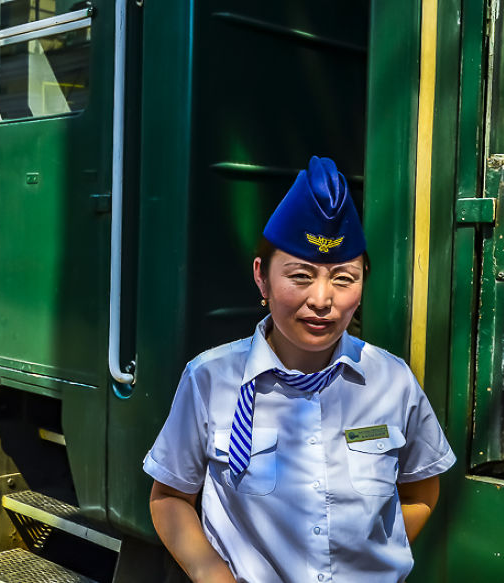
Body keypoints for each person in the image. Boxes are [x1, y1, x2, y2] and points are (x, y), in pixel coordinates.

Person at [143, 156, 456, 583]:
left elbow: (422, 489)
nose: (323, 299)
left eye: (344, 278)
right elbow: (170, 497)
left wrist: (375, 561)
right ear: (262, 278)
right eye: (301, 276)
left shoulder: (391, 380)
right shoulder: (210, 379)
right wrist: (211, 572)